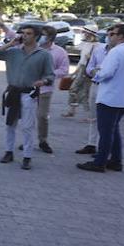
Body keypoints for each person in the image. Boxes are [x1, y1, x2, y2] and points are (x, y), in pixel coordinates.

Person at [78, 23, 124, 173]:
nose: (109, 37)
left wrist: (96, 75)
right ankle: (116, 160)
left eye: (112, 34)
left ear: (121, 37)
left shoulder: (116, 52)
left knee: (105, 130)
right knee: (113, 128)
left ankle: (100, 162)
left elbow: (107, 72)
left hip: (110, 96)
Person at [0, 25, 55, 171]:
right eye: (23, 33)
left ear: (36, 37)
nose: (24, 36)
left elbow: (50, 75)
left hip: (29, 93)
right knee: (10, 124)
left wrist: (44, 81)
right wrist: (10, 43)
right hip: (13, 92)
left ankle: (27, 156)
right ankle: (8, 152)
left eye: (28, 33)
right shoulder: (13, 52)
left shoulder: (44, 55)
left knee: (27, 126)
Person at [36, 26, 70, 154]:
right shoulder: (33, 48)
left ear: (50, 37)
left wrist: (49, 75)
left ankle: (43, 140)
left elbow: (64, 70)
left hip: (45, 88)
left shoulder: (59, 52)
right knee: (27, 117)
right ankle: (28, 140)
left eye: (43, 35)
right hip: (28, 87)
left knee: (42, 116)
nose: (40, 37)